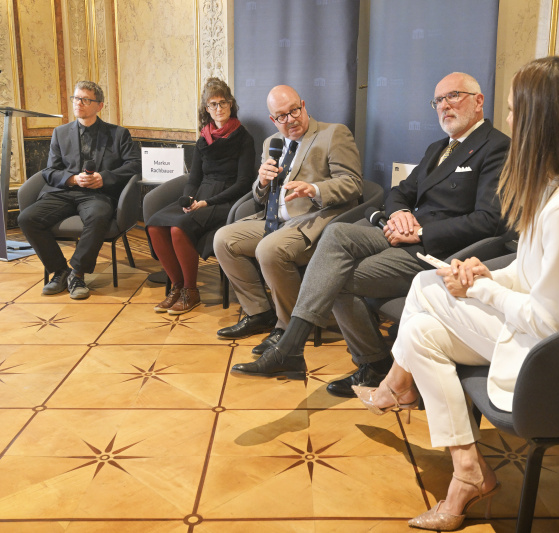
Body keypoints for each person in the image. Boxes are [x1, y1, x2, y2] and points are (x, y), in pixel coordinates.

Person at [354, 56, 559, 531]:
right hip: (553, 339)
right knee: (421, 329)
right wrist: (488, 274)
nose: (506, 122)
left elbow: (552, 323)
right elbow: (532, 276)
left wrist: (482, 290)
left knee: (424, 285)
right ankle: (467, 470)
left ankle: (395, 386)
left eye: (511, 110)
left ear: (539, 119)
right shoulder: (554, 191)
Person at [230, 73, 510, 385]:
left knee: (337, 278)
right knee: (336, 234)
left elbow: (489, 221)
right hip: (400, 234)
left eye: (453, 96)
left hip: (438, 251)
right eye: (439, 100)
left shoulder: (496, 147)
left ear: (478, 100)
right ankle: (293, 347)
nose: (444, 105)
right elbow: (400, 192)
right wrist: (401, 213)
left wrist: (419, 233)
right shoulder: (438, 148)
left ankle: (370, 363)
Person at [213, 85, 363, 351]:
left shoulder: (333, 134)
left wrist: (315, 189)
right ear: (273, 120)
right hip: (274, 220)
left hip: (314, 221)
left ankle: (291, 327)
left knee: (269, 249)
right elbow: (259, 198)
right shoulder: (271, 143)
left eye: (294, 110)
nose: (290, 119)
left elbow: (353, 184)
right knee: (223, 239)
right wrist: (261, 182)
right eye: (281, 116)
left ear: (303, 105)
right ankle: (259, 312)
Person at [19, 81, 141, 300]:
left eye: (85, 100)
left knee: (99, 215)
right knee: (27, 218)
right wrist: (72, 179)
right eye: (76, 98)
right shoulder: (61, 133)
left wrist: (104, 178)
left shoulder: (118, 134)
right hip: (65, 191)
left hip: (98, 193)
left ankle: (77, 273)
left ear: (99, 105)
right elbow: (49, 170)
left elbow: (134, 165)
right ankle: (60, 270)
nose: (78, 104)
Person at [145, 78, 255, 314]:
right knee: (154, 224)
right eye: (213, 104)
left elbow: (244, 182)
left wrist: (207, 202)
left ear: (231, 104)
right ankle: (177, 287)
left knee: (178, 228)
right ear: (206, 109)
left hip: (227, 199)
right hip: (202, 194)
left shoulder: (244, 138)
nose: (218, 109)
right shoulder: (202, 139)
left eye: (223, 103)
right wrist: (187, 200)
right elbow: (193, 179)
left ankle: (191, 291)